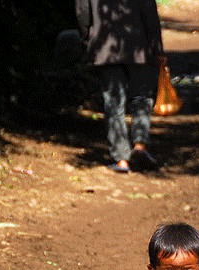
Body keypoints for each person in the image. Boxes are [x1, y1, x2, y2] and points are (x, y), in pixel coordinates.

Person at [76, 0, 164, 173]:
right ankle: (140, 145)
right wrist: (157, 48)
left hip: (104, 46)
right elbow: (149, 12)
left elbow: (82, 12)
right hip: (138, 45)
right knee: (141, 97)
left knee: (113, 103)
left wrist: (87, 39)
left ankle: (121, 159)